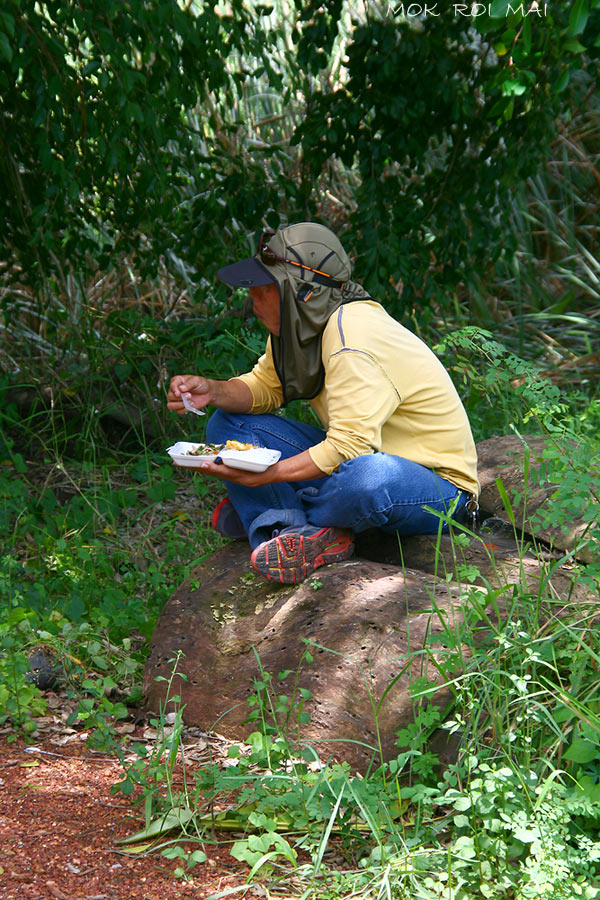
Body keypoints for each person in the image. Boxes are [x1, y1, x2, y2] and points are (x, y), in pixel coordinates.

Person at [168, 222, 479, 585]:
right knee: (228, 424)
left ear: (303, 292)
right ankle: (288, 535)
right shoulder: (302, 327)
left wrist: (268, 477)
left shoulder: (353, 337)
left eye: (263, 288)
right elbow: (266, 388)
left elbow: (350, 448)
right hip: (355, 460)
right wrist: (214, 390)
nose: (251, 299)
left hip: (434, 489)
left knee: (369, 478)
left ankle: (276, 512)